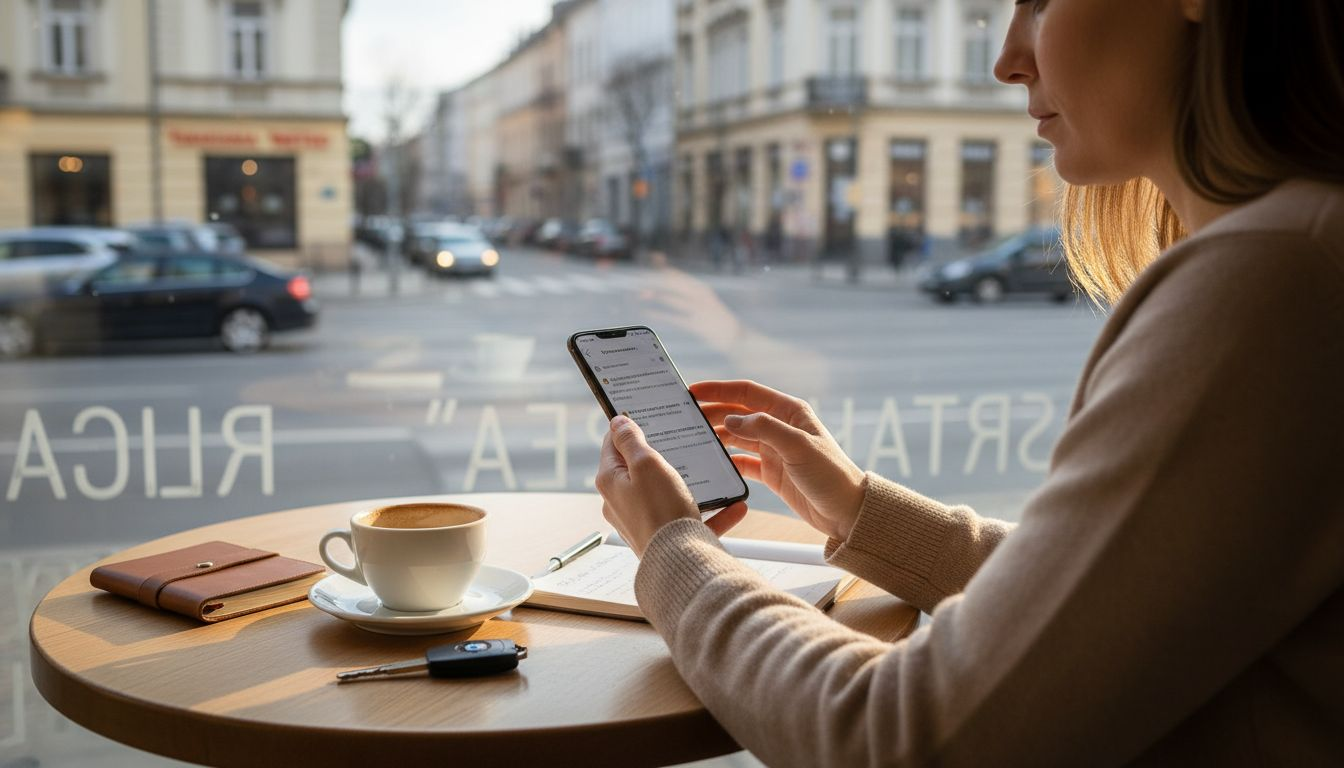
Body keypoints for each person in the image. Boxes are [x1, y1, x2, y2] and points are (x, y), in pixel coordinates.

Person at [594, 1, 1344, 765]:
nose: (1008, 60)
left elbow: (900, 738)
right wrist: (864, 510)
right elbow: (1118, 599)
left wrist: (673, 554)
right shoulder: (1302, 246)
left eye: (1040, 2)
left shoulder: (1274, 279)